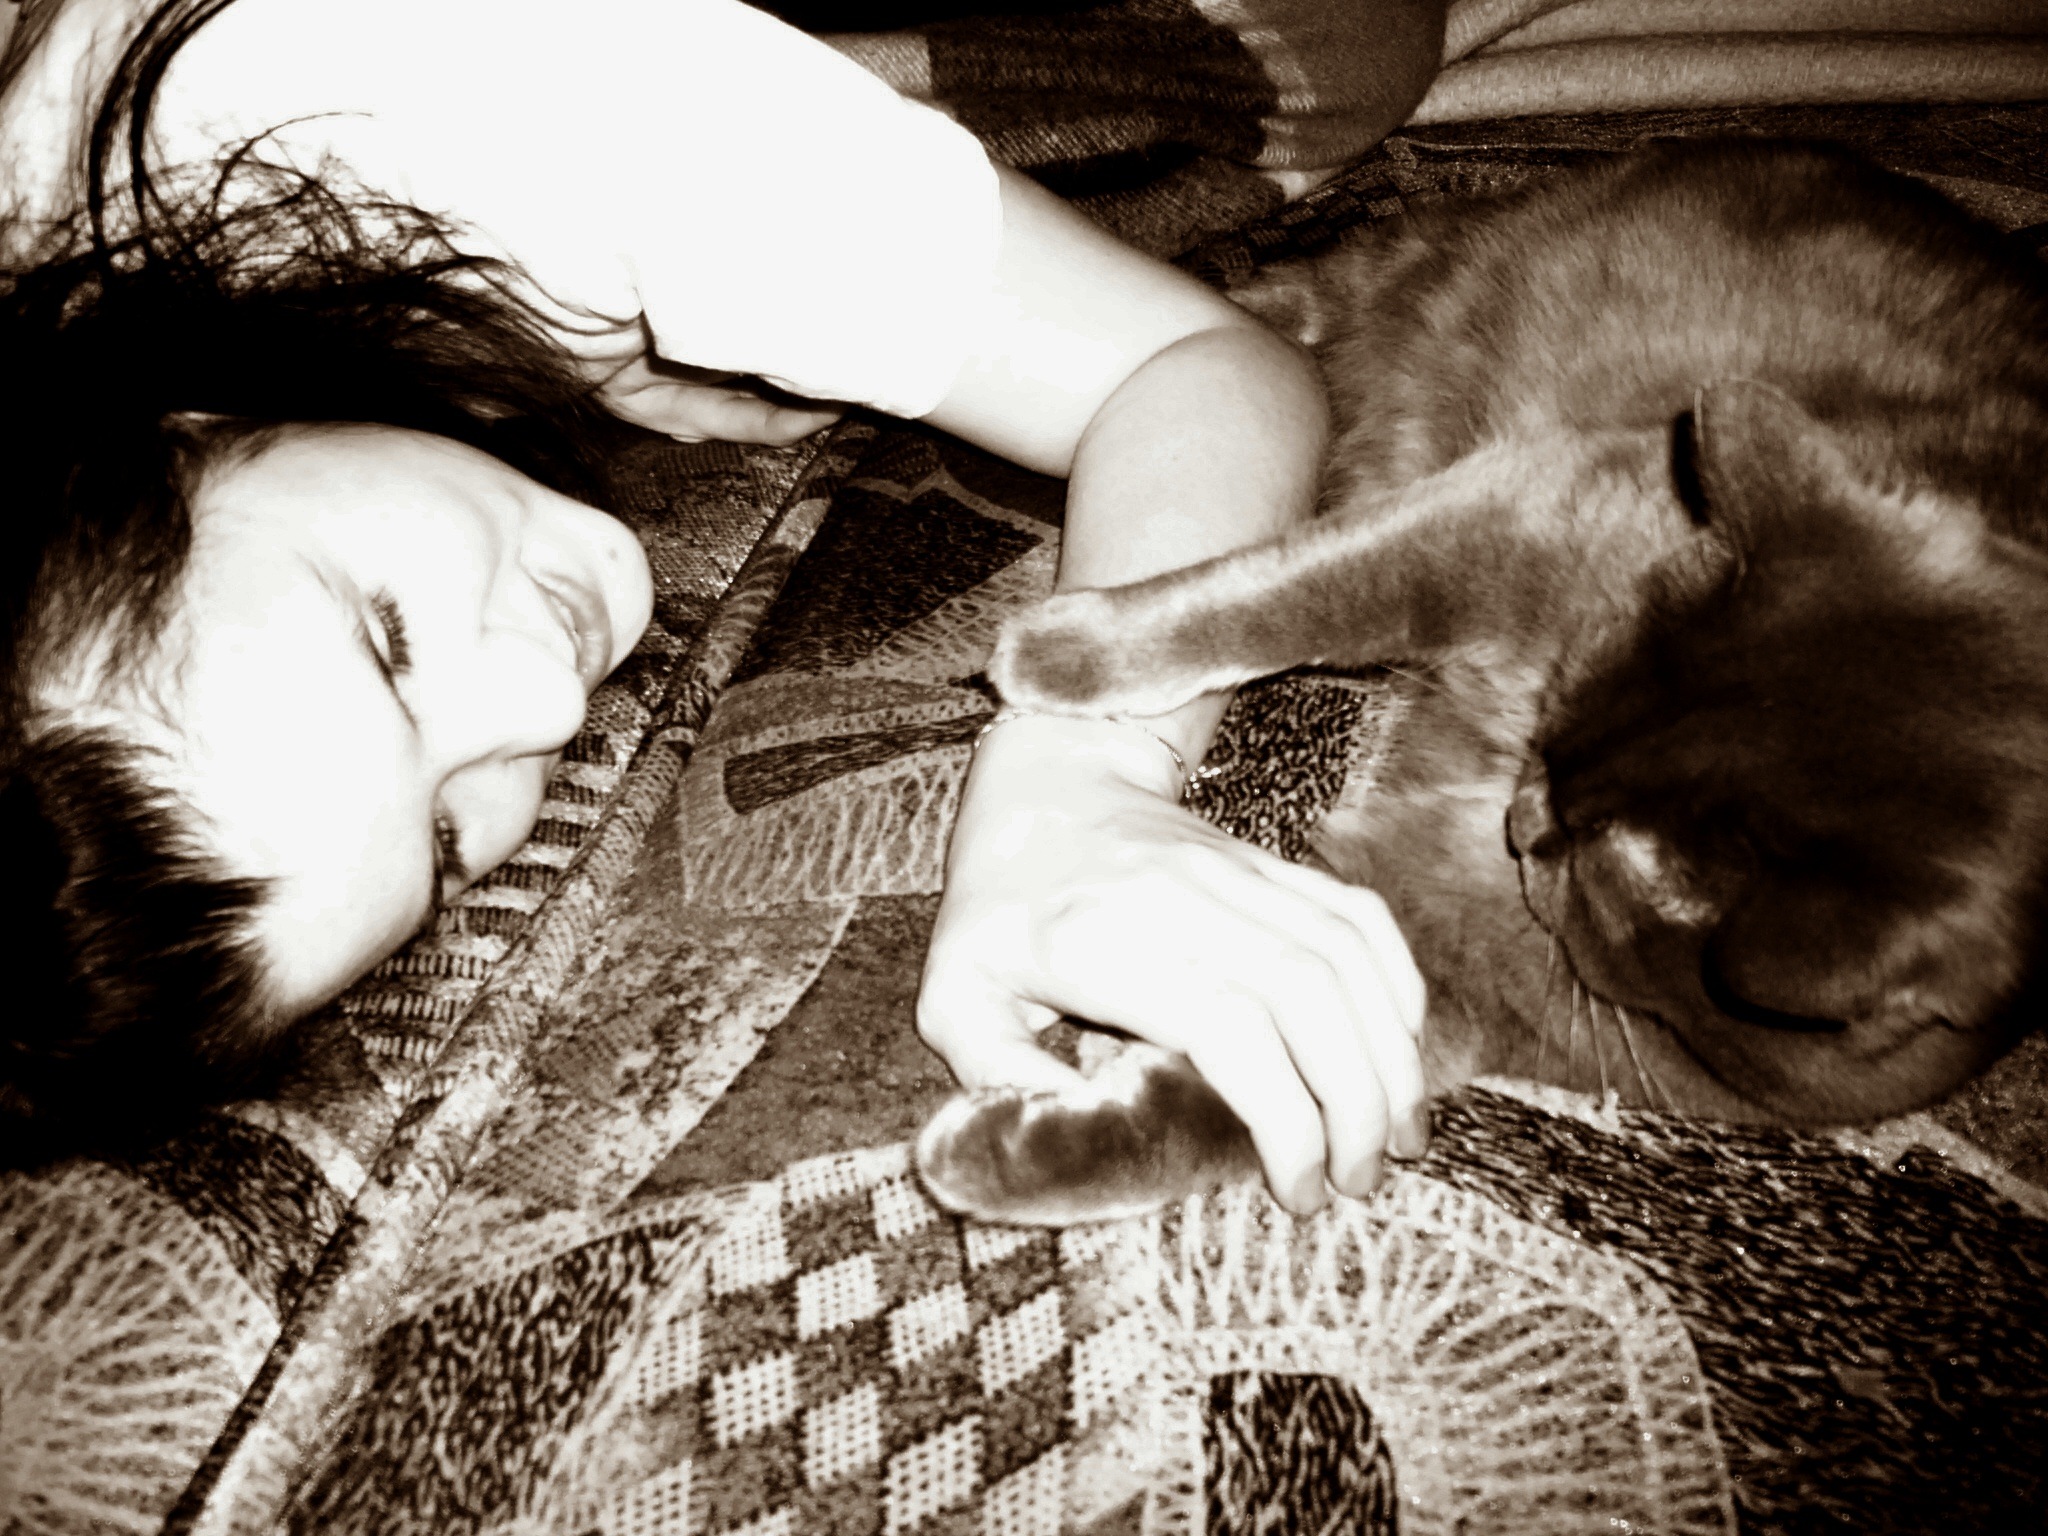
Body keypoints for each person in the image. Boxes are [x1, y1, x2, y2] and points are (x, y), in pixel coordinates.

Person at [0, 0, 1429, 1208]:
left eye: (390, 641)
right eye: (444, 839)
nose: (543, 704)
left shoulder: (404, 104)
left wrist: (1083, 776)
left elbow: (1188, 367)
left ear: (174, 427)